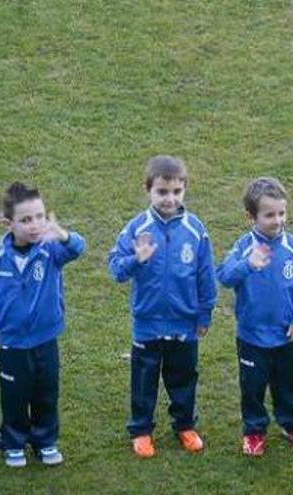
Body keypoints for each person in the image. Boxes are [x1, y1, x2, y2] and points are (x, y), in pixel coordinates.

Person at [108, 155, 216, 457]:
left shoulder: (196, 230)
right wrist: (136, 259)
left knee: (184, 377)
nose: (169, 199)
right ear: (148, 191)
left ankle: (184, 425)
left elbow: (206, 274)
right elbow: (116, 269)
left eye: (176, 192)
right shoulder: (136, 228)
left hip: (185, 322)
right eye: (162, 192)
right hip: (148, 322)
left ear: (185, 190)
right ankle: (141, 430)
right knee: (144, 379)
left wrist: (205, 311)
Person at [0, 182, 86, 467]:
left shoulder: (51, 250)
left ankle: (45, 441)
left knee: (46, 393)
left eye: (40, 216)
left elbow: (79, 248)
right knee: (14, 396)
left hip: (45, 339)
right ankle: (13, 442)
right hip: (13, 343)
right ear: (8, 223)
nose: (35, 225)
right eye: (26, 219)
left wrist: (62, 235)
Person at [217, 177, 293, 456]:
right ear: (251, 216)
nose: (277, 220)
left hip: (287, 335)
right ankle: (254, 431)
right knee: (253, 388)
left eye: (282, 213)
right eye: (269, 215)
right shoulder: (243, 247)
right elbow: (223, 276)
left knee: (291, 385)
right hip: (252, 337)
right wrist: (248, 265)